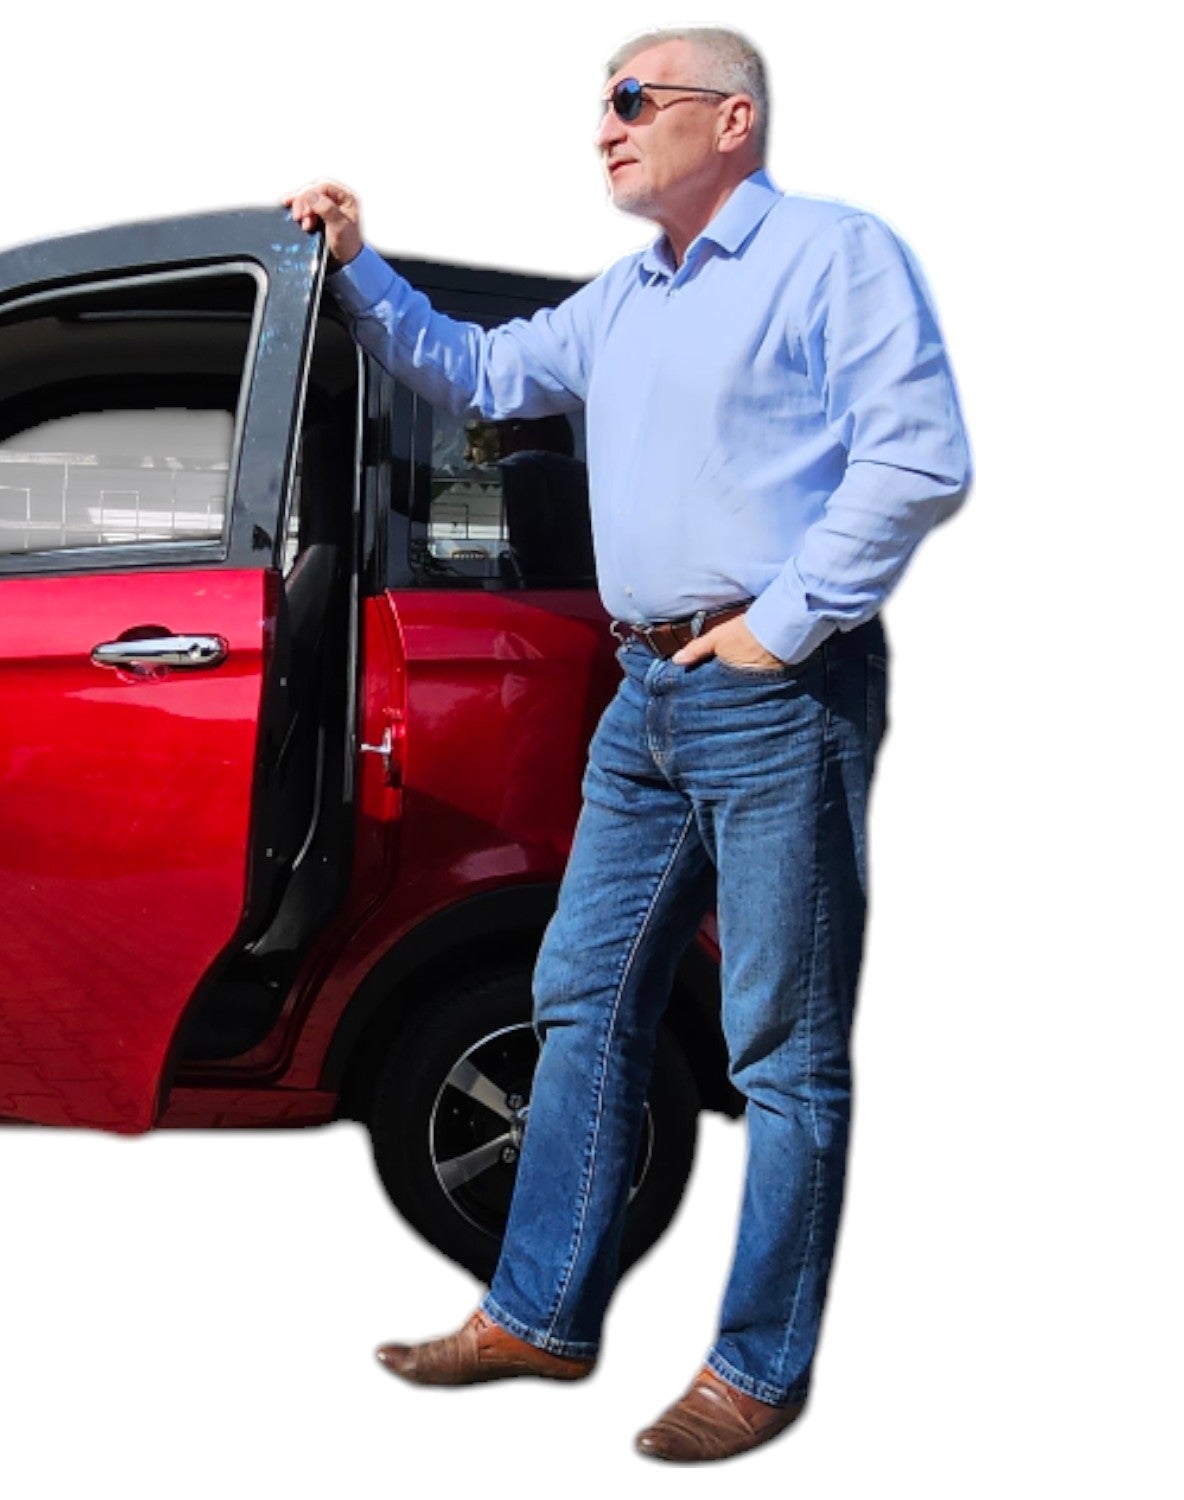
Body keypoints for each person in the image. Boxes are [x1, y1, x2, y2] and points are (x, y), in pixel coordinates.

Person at [284, 25, 970, 1463]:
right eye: (601, 103)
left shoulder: (832, 257)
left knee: (780, 1048)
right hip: (643, 693)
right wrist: (356, 265)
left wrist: (785, 622)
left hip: (777, 695)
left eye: (633, 99)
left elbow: (918, 455)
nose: (606, 123)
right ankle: (539, 1311)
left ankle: (758, 1367)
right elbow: (478, 374)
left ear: (732, 120)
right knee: (581, 998)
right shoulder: (627, 299)